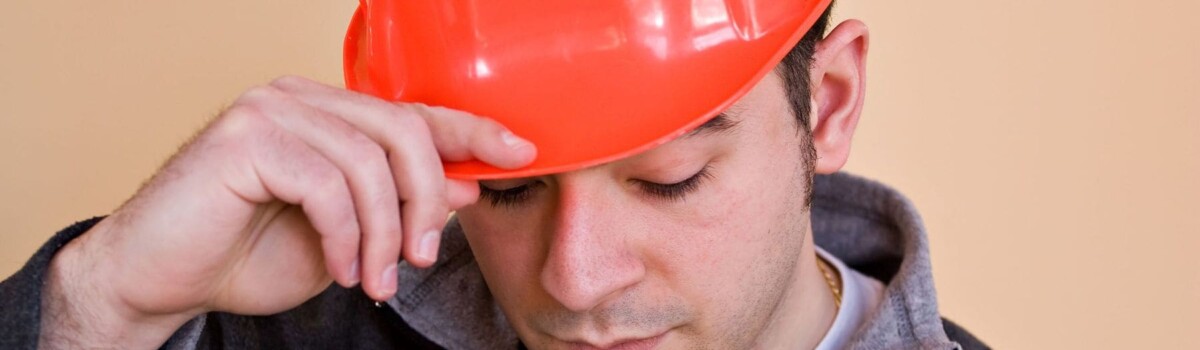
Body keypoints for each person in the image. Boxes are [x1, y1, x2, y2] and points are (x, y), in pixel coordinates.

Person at [1, 1, 988, 349]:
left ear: (829, 101)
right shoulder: (299, 328)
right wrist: (105, 299)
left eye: (669, 177)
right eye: (509, 189)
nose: (572, 277)